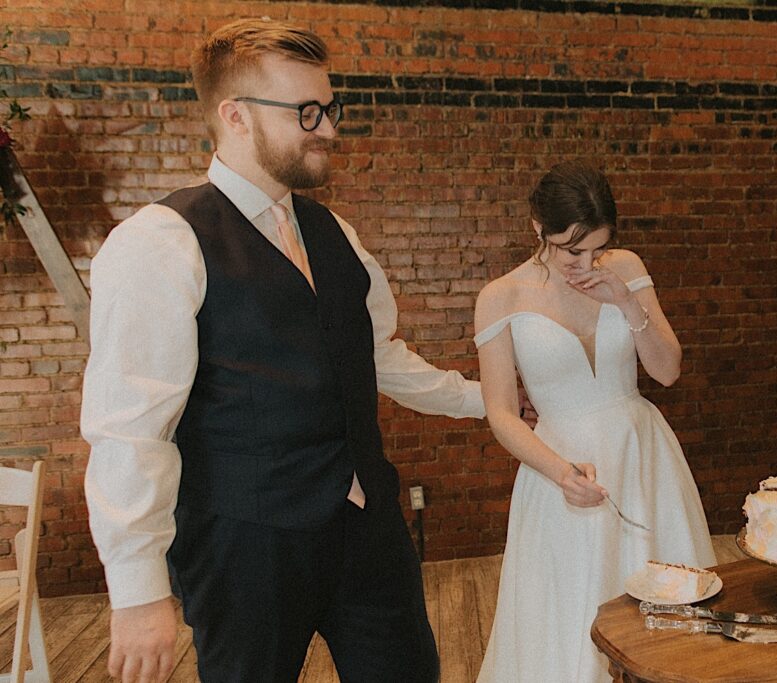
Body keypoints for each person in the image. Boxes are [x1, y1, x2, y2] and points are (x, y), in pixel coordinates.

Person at [81, 18, 486, 683]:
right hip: (246, 547)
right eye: (307, 111)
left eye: (329, 108)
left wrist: (485, 402)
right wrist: (137, 588)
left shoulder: (336, 233)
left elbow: (376, 354)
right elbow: (129, 430)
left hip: (368, 531)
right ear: (235, 116)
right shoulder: (159, 242)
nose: (328, 127)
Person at [473, 160, 717, 682]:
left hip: (640, 453)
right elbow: (500, 414)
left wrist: (625, 301)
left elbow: (667, 371)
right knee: (571, 610)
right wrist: (560, 473)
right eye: (570, 249)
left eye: (595, 248)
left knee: (662, 610)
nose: (584, 262)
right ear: (537, 228)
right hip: (560, 469)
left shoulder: (624, 268)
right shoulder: (500, 297)